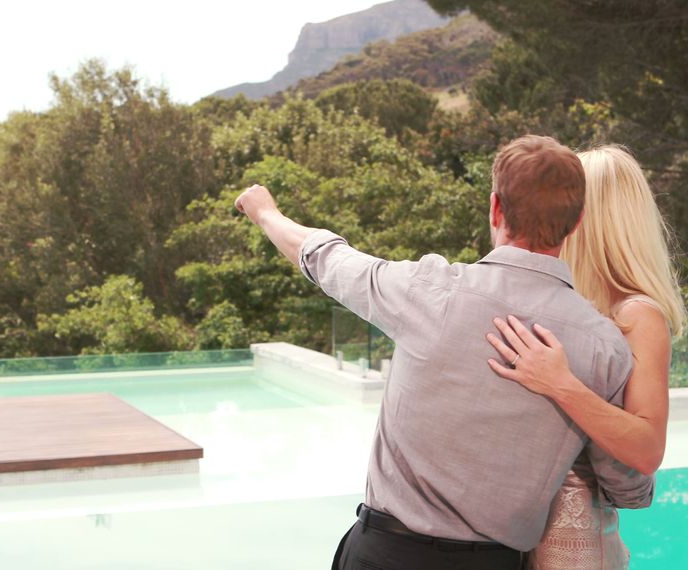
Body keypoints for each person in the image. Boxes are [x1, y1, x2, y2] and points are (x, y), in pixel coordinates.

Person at [235, 135, 654, 570]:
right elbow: (624, 483)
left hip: (385, 554)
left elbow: (323, 257)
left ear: (495, 208)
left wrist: (266, 212)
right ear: (577, 220)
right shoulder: (605, 346)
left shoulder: (427, 291)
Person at [486, 145, 687, 569]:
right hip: (516, 534)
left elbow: (647, 449)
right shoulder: (558, 302)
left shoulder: (638, 315)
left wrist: (562, 384)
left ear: (588, 218)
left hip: (572, 546)